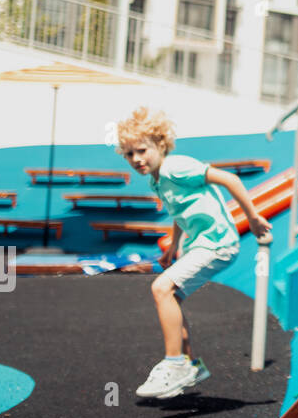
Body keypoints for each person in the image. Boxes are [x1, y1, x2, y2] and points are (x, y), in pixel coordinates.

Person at [116, 106, 272, 399]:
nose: (136, 159)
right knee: (170, 297)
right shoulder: (157, 179)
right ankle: (191, 365)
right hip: (200, 245)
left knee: (161, 288)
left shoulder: (176, 166)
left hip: (218, 243)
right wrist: (173, 246)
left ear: (159, 145)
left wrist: (251, 217)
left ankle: (175, 363)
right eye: (129, 154)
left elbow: (230, 179)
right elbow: (179, 211)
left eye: (141, 150)